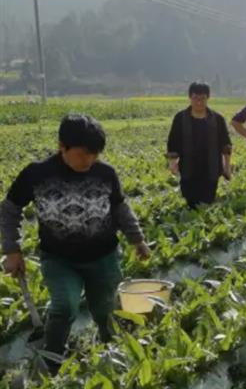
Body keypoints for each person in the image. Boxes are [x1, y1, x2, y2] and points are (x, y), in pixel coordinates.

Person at [0, 114, 150, 375]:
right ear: (63, 147)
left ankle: (113, 355)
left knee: (106, 309)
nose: (89, 160)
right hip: (59, 259)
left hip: (103, 257)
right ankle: (52, 361)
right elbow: (10, 209)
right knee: (64, 306)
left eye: (95, 154)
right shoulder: (37, 173)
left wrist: (137, 240)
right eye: (83, 154)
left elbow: (120, 208)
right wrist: (12, 249)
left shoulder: (106, 173)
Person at [167, 82, 233, 207]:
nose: (199, 102)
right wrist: (172, 163)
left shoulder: (217, 119)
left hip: (211, 169)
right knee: (191, 201)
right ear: (190, 98)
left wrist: (227, 167)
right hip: (188, 169)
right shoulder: (181, 118)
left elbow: (226, 145)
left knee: (207, 202)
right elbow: (173, 142)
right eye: (195, 98)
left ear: (208, 98)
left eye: (202, 99)